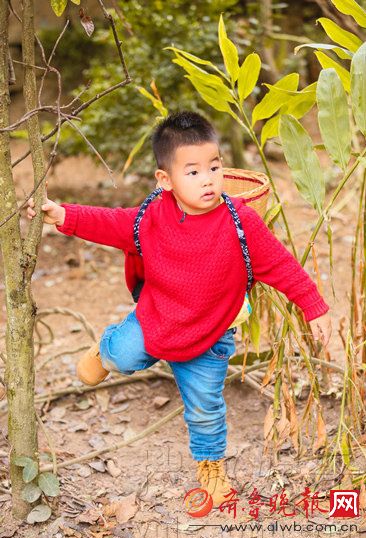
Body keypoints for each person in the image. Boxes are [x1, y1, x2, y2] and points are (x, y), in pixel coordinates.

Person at [27, 111, 332, 508]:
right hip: (157, 318)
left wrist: (314, 306)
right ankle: (105, 348)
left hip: (210, 335)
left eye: (214, 167)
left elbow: (282, 266)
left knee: (205, 407)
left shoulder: (243, 224)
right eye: (192, 172)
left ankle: (211, 468)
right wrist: (64, 215)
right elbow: (114, 223)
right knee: (123, 354)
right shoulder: (154, 216)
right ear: (165, 180)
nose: (207, 179)